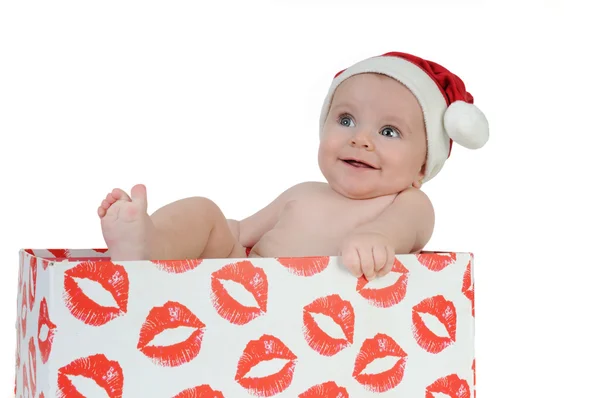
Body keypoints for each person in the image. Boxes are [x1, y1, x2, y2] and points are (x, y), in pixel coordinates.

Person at [97, 51, 489, 280]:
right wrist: (205, 234)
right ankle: (150, 244)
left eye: (389, 131)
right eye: (346, 120)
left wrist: (379, 239)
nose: (361, 139)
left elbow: (399, 230)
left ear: (424, 165)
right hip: (245, 285)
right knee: (207, 212)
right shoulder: (303, 194)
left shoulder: (407, 204)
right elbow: (239, 233)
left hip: (321, 310)